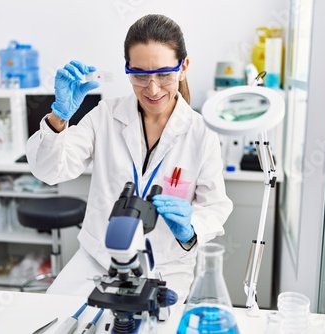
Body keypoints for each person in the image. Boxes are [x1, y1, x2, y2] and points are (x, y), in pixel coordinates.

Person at [26, 14, 233, 304]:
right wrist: (60, 116)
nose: (152, 88)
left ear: (183, 67)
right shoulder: (105, 117)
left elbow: (215, 206)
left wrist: (192, 227)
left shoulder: (201, 135)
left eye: (163, 74)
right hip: (98, 260)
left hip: (165, 268)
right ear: (127, 69)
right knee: (52, 316)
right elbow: (50, 171)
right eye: (139, 75)